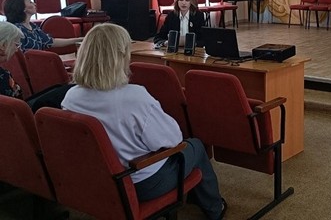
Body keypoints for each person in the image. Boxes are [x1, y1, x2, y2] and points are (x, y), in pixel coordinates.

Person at [62, 23, 226, 220]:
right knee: (196, 145)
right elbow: (173, 139)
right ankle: (215, 208)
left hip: (99, 179)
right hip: (143, 183)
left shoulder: (71, 97)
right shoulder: (134, 97)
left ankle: (197, 196)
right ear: (121, 56)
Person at [0, 21, 74, 110]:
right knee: (66, 91)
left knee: (58, 89)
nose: (16, 50)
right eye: (16, 45)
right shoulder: (3, 77)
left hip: (18, 109)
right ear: (3, 46)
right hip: (22, 113)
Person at [3, 0, 82, 51]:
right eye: (30, 2)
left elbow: (51, 42)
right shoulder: (16, 30)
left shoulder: (33, 26)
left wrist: (78, 39)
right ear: (23, 8)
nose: (34, 4)